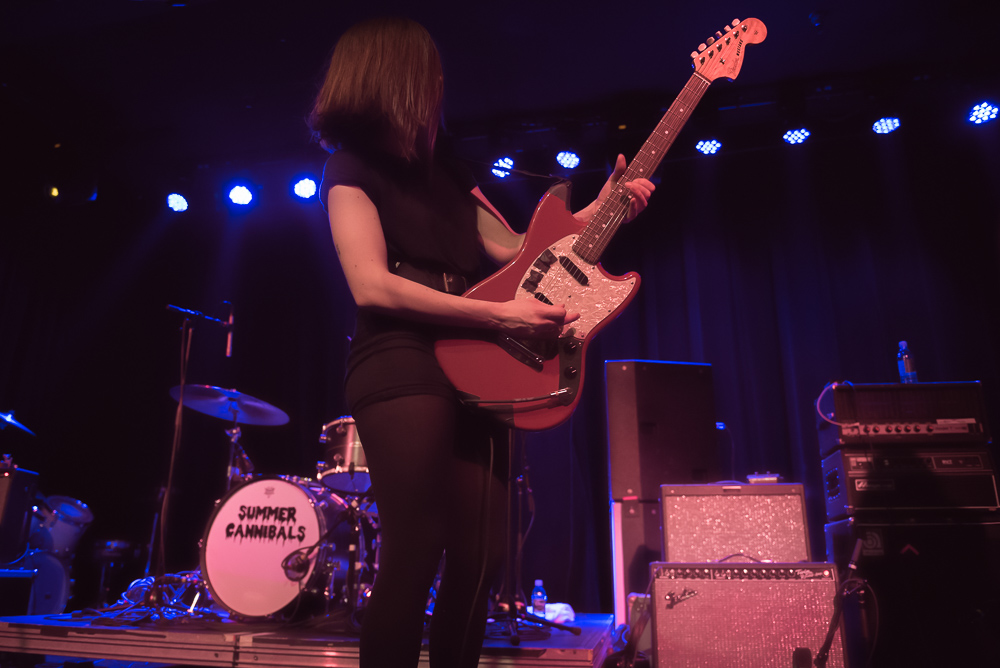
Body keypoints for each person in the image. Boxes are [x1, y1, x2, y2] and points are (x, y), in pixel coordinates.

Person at [309, 16, 654, 668]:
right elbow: (372, 286)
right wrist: (497, 319)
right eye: (430, 72)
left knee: (483, 553)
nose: (442, 84)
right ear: (398, 76)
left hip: (476, 361)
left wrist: (604, 209)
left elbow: (525, 255)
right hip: (401, 358)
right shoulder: (348, 168)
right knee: (416, 547)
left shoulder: (450, 171)